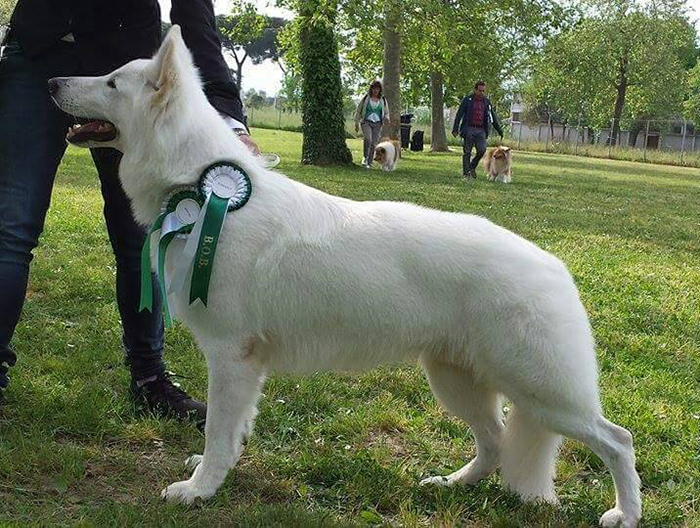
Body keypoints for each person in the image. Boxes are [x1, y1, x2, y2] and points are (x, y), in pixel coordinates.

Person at [0, 1, 260, 423]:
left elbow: (194, 12)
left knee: (140, 238)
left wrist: (228, 112)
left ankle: (149, 378)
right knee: (11, 228)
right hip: (34, 51)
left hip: (125, 67)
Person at [452, 80, 503, 180]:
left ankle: (472, 166)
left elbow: (493, 117)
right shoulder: (467, 100)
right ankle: (466, 173)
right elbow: (459, 114)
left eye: (483, 91)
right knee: (467, 152)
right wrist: (455, 129)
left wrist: (499, 130)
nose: (481, 93)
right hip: (469, 128)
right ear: (475, 90)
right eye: (480, 91)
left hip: (481, 130)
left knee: (482, 150)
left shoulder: (486, 102)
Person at [354, 80, 390, 168]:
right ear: (371, 89)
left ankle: (370, 162)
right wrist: (356, 123)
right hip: (366, 122)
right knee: (368, 139)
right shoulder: (366, 98)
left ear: (380, 90)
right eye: (374, 89)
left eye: (377, 89)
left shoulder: (383, 100)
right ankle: (365, 158)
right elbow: (359, 110)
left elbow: (386, 112)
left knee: (374, 143)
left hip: (378, 123)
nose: (375, 91)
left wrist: (387, 118)